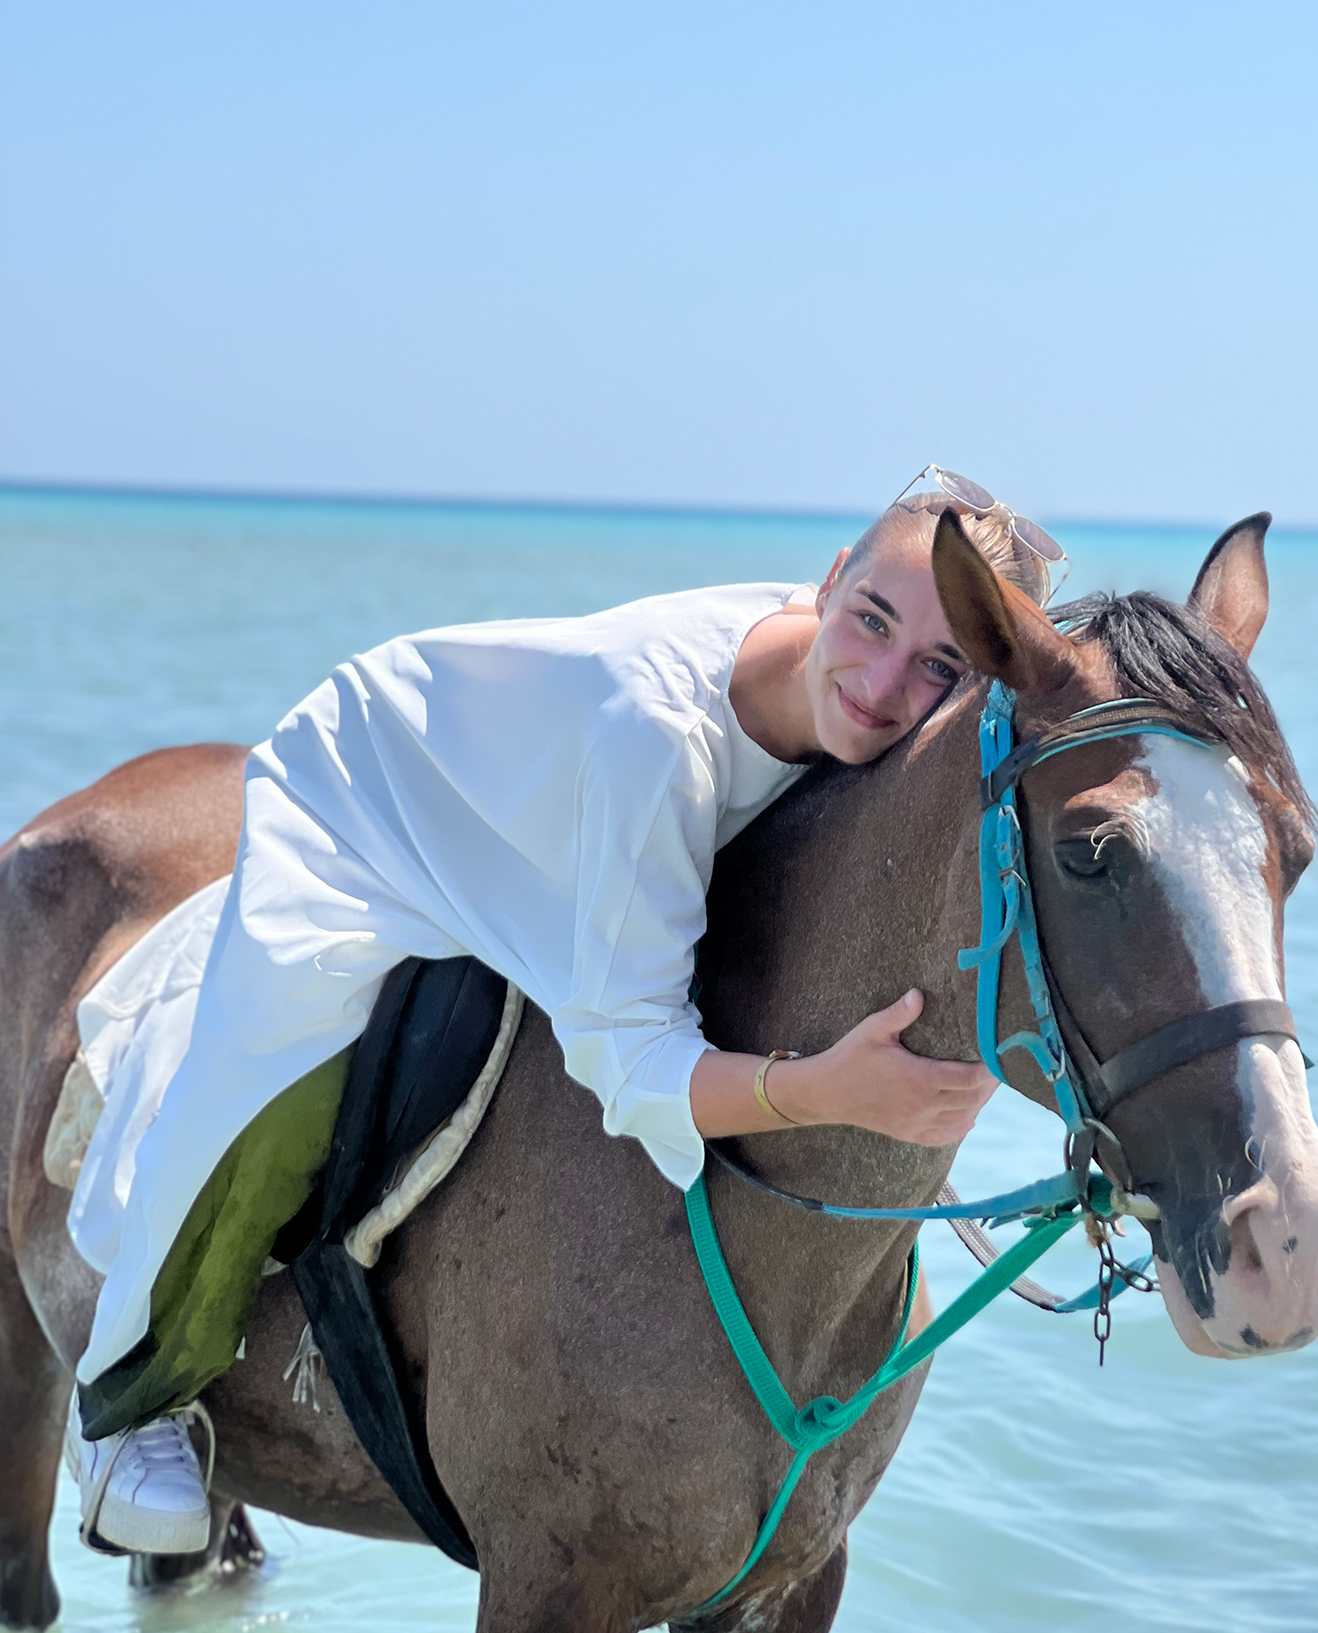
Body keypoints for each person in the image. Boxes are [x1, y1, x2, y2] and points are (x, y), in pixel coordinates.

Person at [70, 470, 1062, 1554]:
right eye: (869, 620)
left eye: (936, 666)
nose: (879, 683)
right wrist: (827, 1089)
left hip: (536, 816)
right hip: (374, 797)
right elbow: (630, 1067)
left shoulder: (847, 700)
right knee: (266, 1069)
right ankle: (124, 1398)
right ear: (827, 583)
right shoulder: (659, 735)